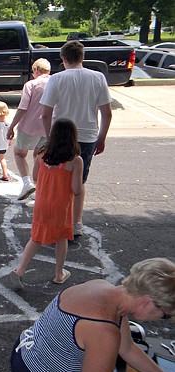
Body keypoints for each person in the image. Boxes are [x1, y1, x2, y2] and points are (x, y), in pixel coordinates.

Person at [11, 258, 175, 372]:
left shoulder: (108, 291)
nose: (162, 319)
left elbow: (127, 349)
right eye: (164, 315)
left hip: (28, 349)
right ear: (148, 302)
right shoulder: (103, 330)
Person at [40, 40, 112, 237]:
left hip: (60, 136)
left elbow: (45, 114)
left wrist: (48, 138)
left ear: (64, 58)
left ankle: (56, 218)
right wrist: (101, 137)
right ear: (82, 57)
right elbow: (106, 113)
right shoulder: (97, 77)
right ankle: (76, 222)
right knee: (78, 182)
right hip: (87, 136)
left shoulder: (56, 79)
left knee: (57, 179)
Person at [11, 119, 83, 288]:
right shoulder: (75, 160)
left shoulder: (42, 155)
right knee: (61, 237)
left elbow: (35, 178)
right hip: (61, 205)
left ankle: (20, 270)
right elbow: (76, 188)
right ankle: (59, 273)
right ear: (73, 137)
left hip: (42, 203)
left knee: (36, 237)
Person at [7, 58, 50, 200]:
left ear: (36, 70)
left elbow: (22, 108)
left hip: (29, 127)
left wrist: (12, 126)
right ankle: (39, 186)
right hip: (49, 128)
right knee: (39, 155)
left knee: (19, 153)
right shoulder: (56, 83)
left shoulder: (31, 85)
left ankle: (27, 183)